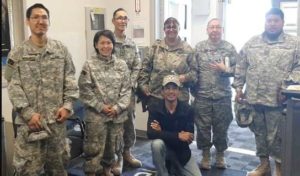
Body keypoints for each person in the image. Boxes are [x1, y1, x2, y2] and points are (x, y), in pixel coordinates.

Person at [6, 3, 79, 175]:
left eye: (44, 17)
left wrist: (68, 106)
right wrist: (28, 113)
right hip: (30, 126)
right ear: (28, 22)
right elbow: (13, 86)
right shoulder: (17, 53)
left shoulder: (60, 50)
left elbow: (70, 80)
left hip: (57, 124)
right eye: (36, 17)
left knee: (59, 169)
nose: (41, 21)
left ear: (49, 21)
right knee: (29, 171)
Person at [232, 8, 300, 176]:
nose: (272, 24)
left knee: (278, 137)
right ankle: (263, 165)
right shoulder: (252, 42)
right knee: (259, 135)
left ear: (282, 22)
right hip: (254, 98)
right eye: (269, 20)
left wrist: (287, 86)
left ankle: (279, 168)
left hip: (278, 100)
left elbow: (299, 68)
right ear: (265, 22)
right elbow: (241, 65)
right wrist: (239, 87)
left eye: (276, 20)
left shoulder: (294, 44)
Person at [78, 29, 131, 176]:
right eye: (102, 43)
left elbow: (127, 90)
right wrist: (101, 107)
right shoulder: (89, 65)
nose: (106, 46)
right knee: (93, 148)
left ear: (113, 45)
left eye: (109, 42)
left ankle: (107, 170)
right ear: (96, 45)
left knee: (112, 146)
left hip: (116, 116)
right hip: (96, 117)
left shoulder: (122, 65)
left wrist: (117, 108)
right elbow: (84, 90)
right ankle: (92, 172)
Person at [193, 18, 238, 169]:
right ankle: (205, 155)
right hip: (203, 96)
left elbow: (240, 70)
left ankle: (220, 155)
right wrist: (193, 91)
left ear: (222, 30)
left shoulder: (229, 48)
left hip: (222, 97)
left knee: (221, 128)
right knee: (203, 128)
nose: (214, 30)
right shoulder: (199, 48)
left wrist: (226, 69)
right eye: (212, 27)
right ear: (207, 30)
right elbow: (193, 71)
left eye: (218, 27)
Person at [147, 75, 202, 176]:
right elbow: (151, 133)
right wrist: (178, 135)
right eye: (167, 88)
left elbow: (188, 139)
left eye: (174, 88)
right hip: (164, 151)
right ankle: (163, 173)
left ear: (179, 92)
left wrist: (161, 131)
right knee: (156, 144)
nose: (171, 92)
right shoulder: (154, 108)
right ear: (162, 91)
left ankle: (174, 169)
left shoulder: (188, 109)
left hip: (182, 153)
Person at [137, 17, 196, 111]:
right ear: (164, 29)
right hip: (157, 96)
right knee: (155, 125)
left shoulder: (187, 49)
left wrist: (185, 77)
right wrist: (143, 86)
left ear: (179, 29)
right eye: (168, 27)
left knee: (179, 125)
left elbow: (195, 72)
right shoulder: (156, 47)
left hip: (179, 98)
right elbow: (145, 68)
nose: (171, 29)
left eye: (174, 27)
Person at [111, 8, 142, 175]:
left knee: (129, 122)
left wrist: (129, 84)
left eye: (125, 18)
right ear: (113, 21)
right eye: (119, 18)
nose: (122, 21)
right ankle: (117, 158)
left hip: (128, 92)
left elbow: (137, 65)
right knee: (116, 125)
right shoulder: (107, 41)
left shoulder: (132, 43)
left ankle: (127, 152)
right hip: (111, 92)